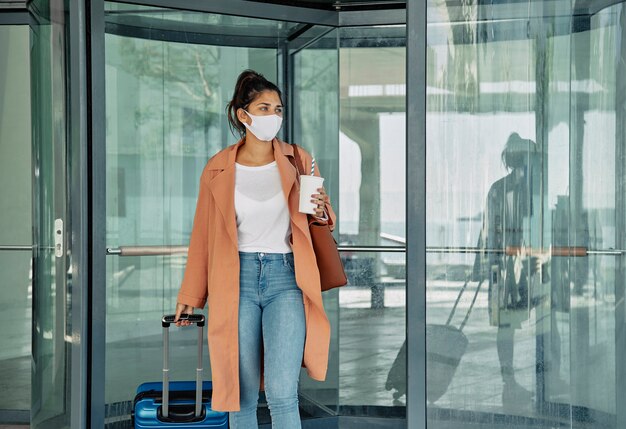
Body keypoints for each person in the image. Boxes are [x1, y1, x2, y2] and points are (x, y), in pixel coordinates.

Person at [173, 69, 336, 428]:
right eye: (264, 108)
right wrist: (191, 293)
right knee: (241, 394)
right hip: (236, 280)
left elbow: (316, 220)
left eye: (278, 109)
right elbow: (203, 235)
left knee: (281, 393)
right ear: (242, 114)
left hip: (286, 279)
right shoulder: (218, 167)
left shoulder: (297, 159)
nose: (274, 116)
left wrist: (323, 211)